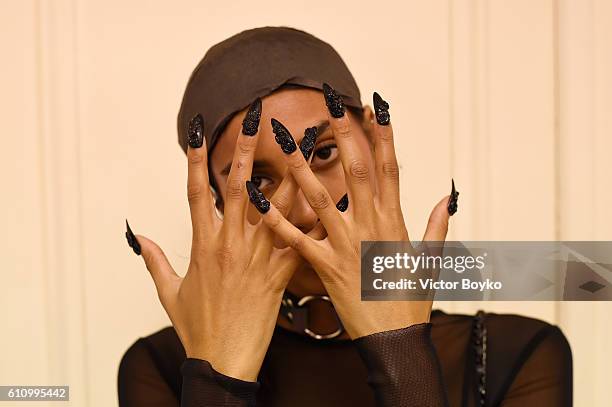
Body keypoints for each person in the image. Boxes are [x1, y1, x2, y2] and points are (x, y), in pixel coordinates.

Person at [118, 26, 572, 406]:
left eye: (325, 153)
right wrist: (218, 378)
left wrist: (400, 347)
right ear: (218, 202)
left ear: (374, 143)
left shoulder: (513, 355)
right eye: (255, 182)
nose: (302, 208)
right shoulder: (161, 368)